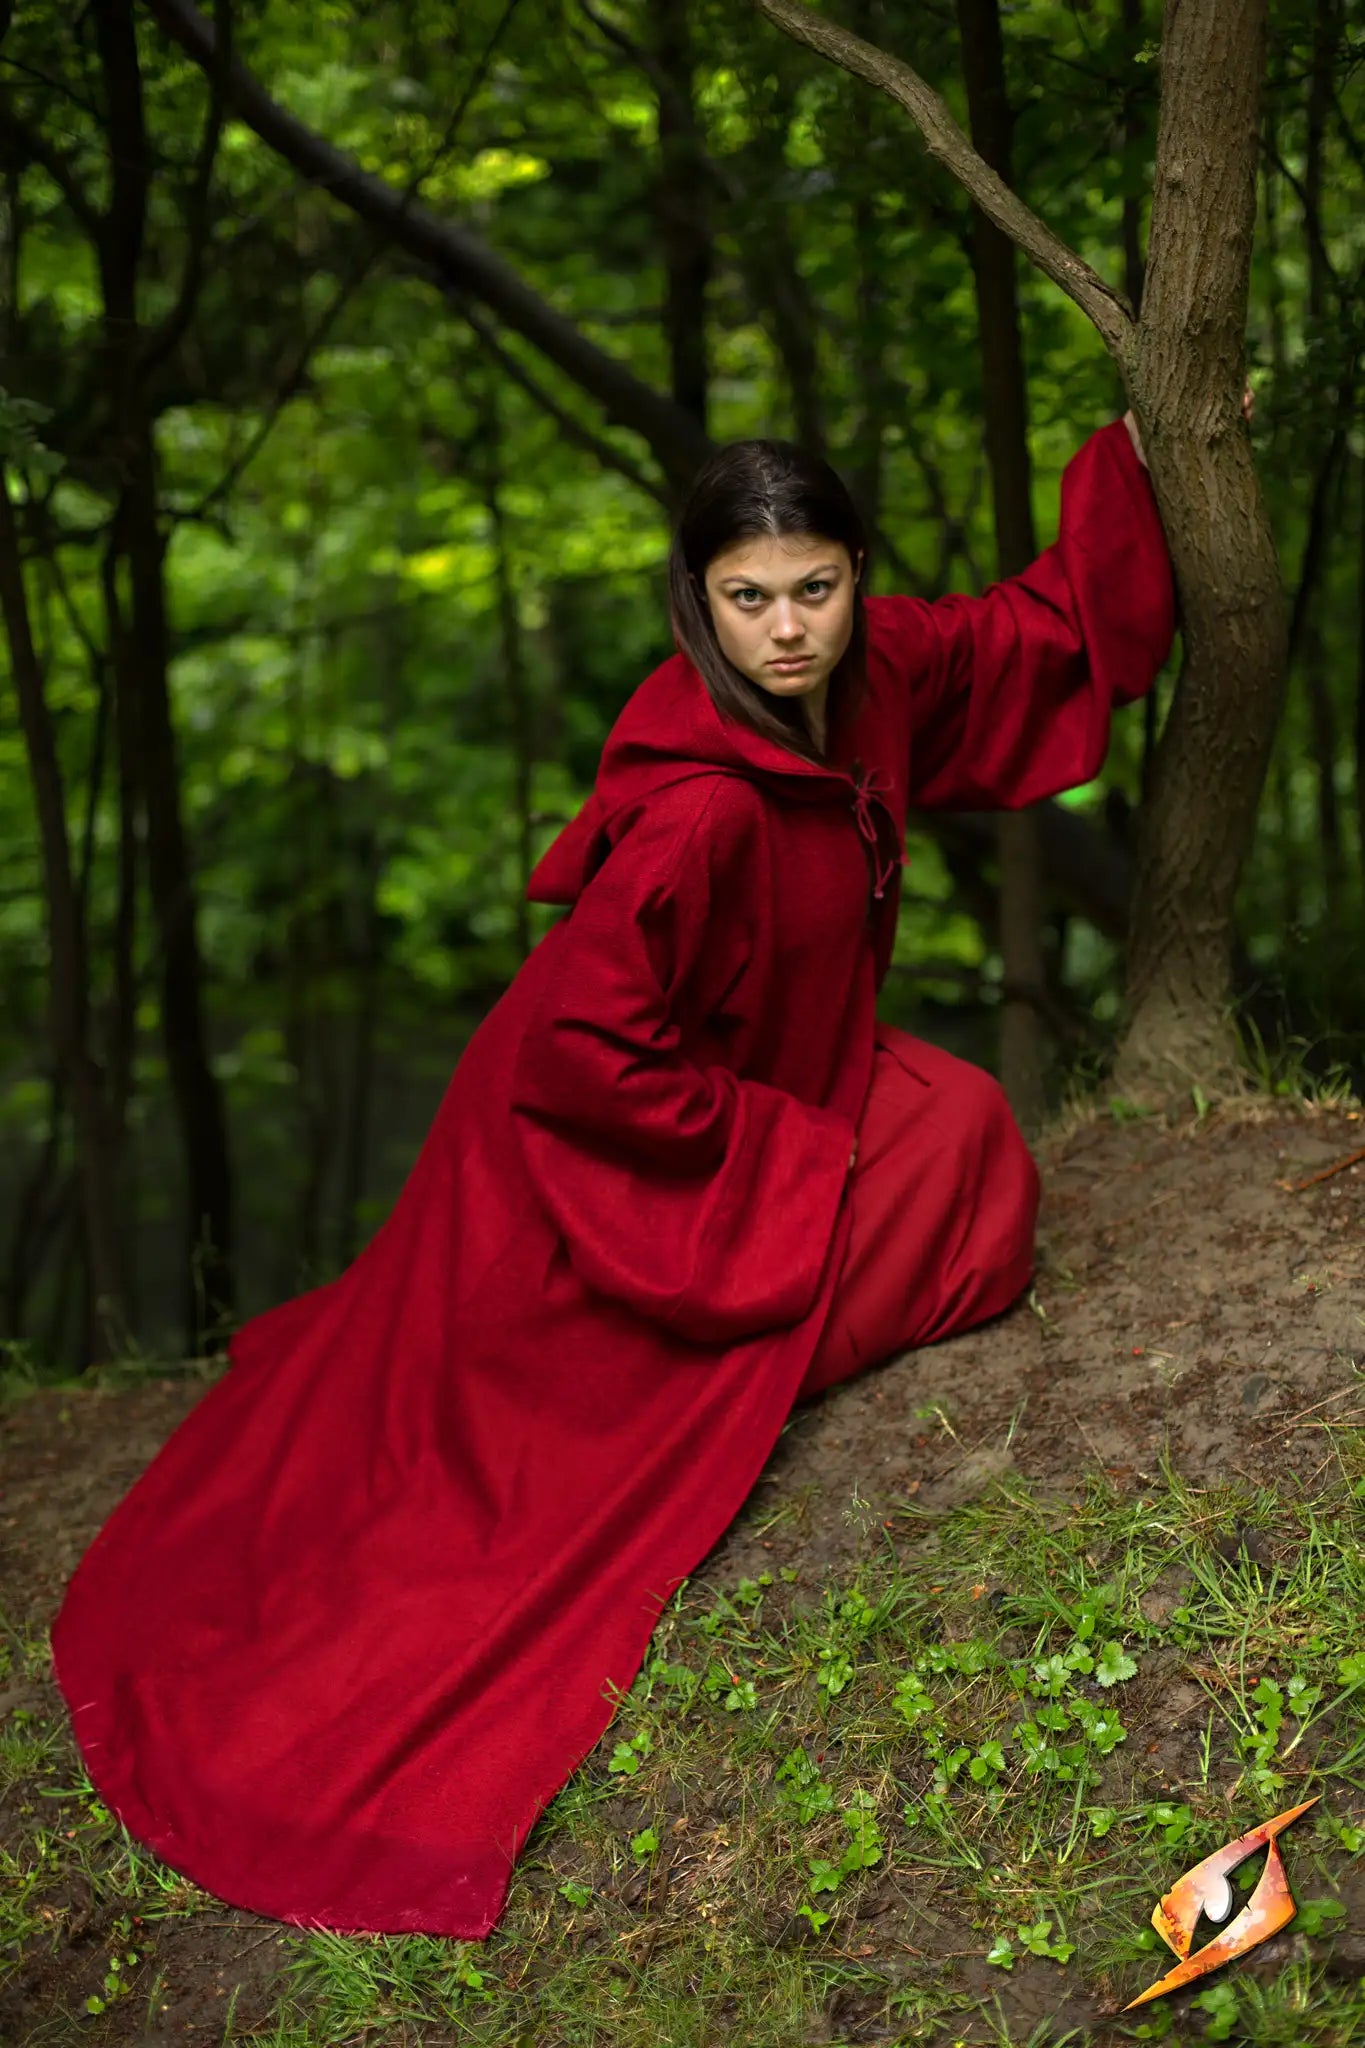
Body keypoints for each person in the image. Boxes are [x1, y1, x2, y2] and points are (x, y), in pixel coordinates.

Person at [51, 398, 1181, 1943]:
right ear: (695, 600)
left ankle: (774, 1299)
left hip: (775, 1096)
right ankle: (713, 1338)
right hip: (586, 1152)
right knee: (546, 1446)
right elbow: (582, 1060)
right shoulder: (697, 812)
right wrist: (777, 1172)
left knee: (967, 1142)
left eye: (813, 589)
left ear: (854, 574)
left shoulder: (879, 674)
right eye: (746, 599)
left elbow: (1030, 634)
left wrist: (1139, 453)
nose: (785, 632)